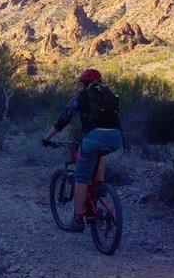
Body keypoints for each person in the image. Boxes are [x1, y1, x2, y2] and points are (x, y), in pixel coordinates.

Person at [42, 69, 123, 232]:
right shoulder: (110, 95)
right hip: (116, 138)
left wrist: (47, 138)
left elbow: (63, 120)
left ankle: (78, 220)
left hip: (93, 138)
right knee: (100, 153)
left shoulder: (80, 97)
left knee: (80, 177)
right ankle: (99, 188)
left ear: (84, 83)